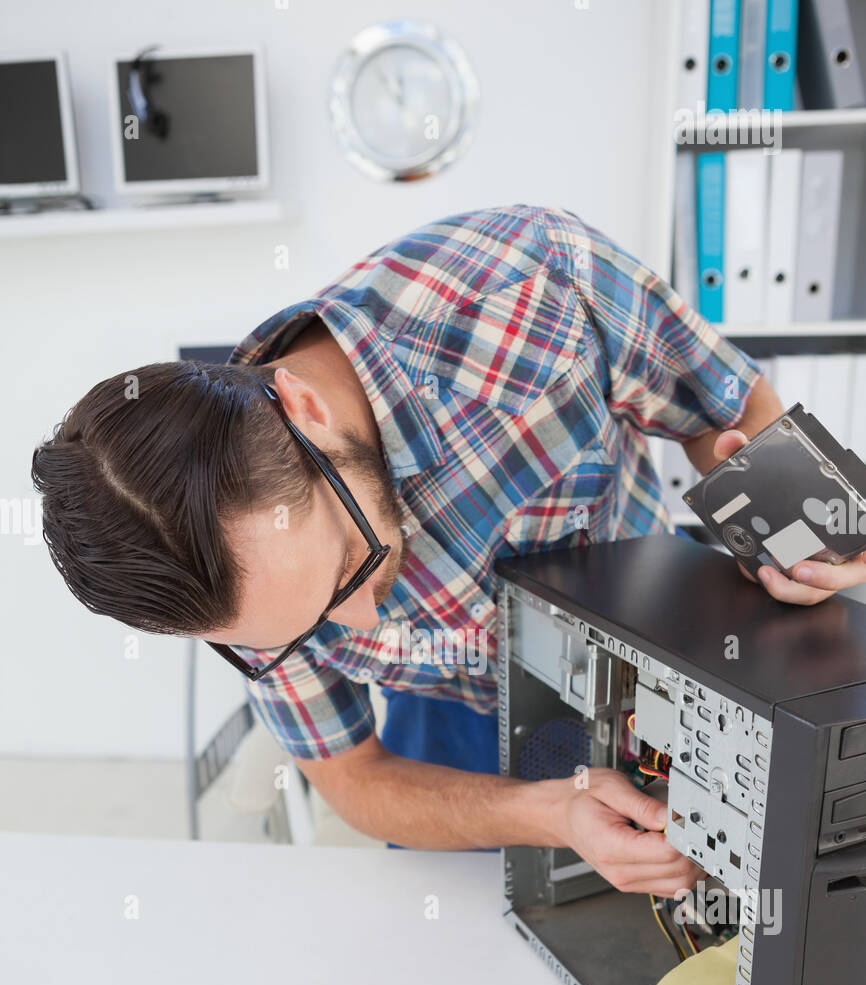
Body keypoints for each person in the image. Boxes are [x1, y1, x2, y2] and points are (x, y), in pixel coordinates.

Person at [32, 204, 864, 893]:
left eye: (345, 573)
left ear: (305, 411)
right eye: (302, 632)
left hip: (662, 644)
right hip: (449, 724)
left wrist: (805, 546)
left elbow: (721, 403)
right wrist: (550, 810)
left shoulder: (533, 287)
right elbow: (355, 776)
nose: (362, 620)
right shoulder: (224, 574)